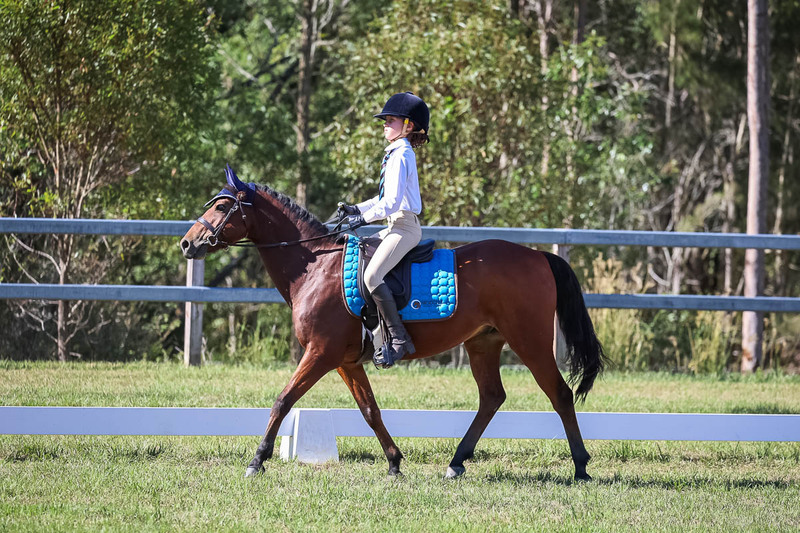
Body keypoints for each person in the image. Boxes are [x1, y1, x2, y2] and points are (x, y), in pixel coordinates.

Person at [340, 92, 430, 368]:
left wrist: (363, 220)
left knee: (372, 275)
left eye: (391, 120)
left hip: (404, 227)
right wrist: (356, 209)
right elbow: (383, 199)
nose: (385, 124)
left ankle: (399, 339)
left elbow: (390, 204)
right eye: (385, 120)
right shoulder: (395, 153)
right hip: (394, 224)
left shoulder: (402, 155)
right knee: (355, 251)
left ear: (408, 126)